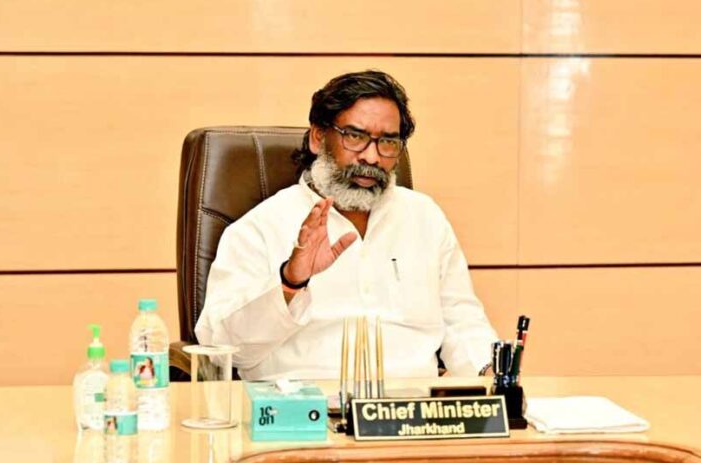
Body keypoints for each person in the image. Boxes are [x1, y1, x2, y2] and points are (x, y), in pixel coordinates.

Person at [195, 70, 497, 380]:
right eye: (355, 136)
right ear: (318, 137)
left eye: (388, 142)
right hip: (305, 403)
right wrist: (290, 282)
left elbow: (462, 322)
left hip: (412, 403)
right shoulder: (261, 227)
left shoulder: (424, 218)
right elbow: (223, 349)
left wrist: (491, 373)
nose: (372, 157)